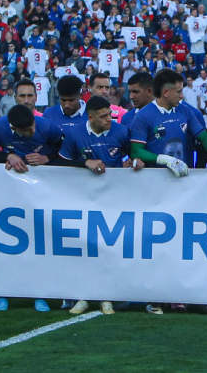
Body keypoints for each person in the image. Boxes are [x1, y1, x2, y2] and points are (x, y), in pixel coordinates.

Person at [59, 95, 140, 316]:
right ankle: (83, 296)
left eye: (110, 115)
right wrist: (85, 162)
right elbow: (62, 162)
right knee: (86, 246)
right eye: (104, 117)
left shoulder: (121, 132)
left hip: (115, 199)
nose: (109, 120)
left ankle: (107, 297)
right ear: (91, 117)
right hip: (84, 199)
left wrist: (134, 161)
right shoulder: (75, 134)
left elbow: (134, 154)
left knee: (110, 247)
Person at [0, 104, 63, 313]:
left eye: (32, 126)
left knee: (39, 241)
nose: (32, 132)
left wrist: (48, 158)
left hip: (42, 192)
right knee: (9, 242)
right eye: (26, 131)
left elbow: (64, 149)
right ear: (13, 128)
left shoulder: (47, 127)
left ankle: (40, 295)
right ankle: (4, 293)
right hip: (10, 191)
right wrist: (7, 157)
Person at [130, 68, 207, 177]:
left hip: (184, 180)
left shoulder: (185, 111)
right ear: (165, 92)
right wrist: (165, 160)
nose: (182, 96)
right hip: (156, 180)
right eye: (179, 91)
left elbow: (203, 136)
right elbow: (136, 151)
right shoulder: (143, 116)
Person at [42, 76, 88, 140]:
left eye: (71, 100)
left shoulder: (91, 114)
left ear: (80, 96)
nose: (67, 105)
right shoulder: (49, 114)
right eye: (63, 100)